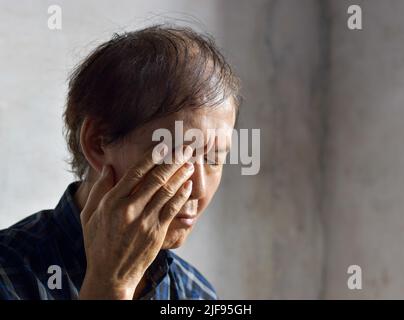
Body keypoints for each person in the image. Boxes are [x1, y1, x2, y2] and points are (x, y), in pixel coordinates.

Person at [0, 24, 241, 300]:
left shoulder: (195, 293)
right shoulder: (9, 273)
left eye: (213, 158)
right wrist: (111, 286)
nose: (198, 189)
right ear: (98, 142)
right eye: (176, 155)